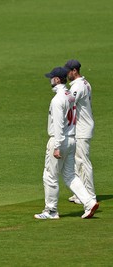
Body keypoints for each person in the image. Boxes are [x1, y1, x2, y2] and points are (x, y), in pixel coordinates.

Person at [34, 67, 99, 220]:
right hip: (72, 139)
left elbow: (57, 124)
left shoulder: (57, 100)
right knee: (70, 175)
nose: (50, 80)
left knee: (50, 176)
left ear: (57, 79)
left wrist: (57, 146)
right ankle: (89, 202)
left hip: (60, 140)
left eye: (52, 78)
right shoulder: (69, 95)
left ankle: (51, 211)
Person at [64, 60, 96, 205]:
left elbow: (68, 103)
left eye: (68, 71)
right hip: (81, 127)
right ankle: (80, 194)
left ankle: (90, 195)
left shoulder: (78, 86)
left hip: (82, 128)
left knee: (83, 162)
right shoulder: (85, 83)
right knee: (78, 162)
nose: (67, 73)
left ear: (75, 71)